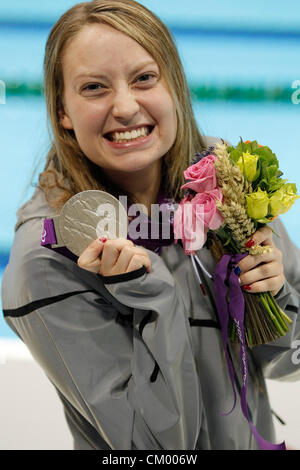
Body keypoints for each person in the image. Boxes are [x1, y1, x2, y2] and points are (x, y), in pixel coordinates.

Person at [2, 0, 300, 451]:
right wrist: (150, 295)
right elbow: (157, 450)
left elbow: (291, 363)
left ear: (175, 87)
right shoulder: (47, 261)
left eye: (144, 78)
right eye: (94, 87)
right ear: (62, 110)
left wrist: (272, 298)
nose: (125, 107)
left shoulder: (226, 188)